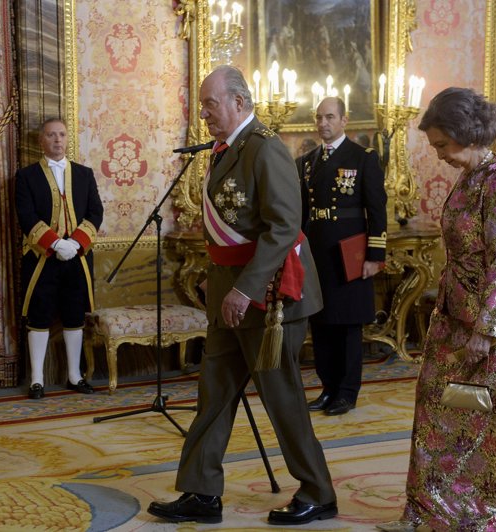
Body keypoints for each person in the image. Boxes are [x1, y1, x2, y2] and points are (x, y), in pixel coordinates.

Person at [147, 65, 337, 526]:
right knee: (213, 394)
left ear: (238, 101)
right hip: (229, 297)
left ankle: (318, 493)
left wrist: (244, 290)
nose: (204, 114)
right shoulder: (225, 149)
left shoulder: (265, 148)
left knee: (282, 399)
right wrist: (221, 286)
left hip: (269, 298)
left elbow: (283, 228)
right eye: (203, 105)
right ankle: (201, 492)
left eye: (210, 104)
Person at [379, 87, 496, 531]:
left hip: (493, 327)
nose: (439, 155)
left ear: (466, 133)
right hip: (453, 320)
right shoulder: (470, 177)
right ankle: (427, 509)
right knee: (437, 411)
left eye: (442, 144)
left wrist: (486, 330)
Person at [298, 96, 386, 416]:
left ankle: (347, 392)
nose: (323, 123)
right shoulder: (307, 161)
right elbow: (303, 213)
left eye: (330, 117)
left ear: (344, 120)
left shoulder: (362, 157)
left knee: (348, 326)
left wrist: (375, 255)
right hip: (317, 253)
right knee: (321, 323)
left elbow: (376, 209)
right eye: (319, 117)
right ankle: (328, 388)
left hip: (350, 253)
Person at [15, 118, 104, 399]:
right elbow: (26, 216)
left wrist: (75, 244)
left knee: (74, 315)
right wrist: (55, 244)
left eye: (62, 135)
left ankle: (75, 376)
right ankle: (37, 379)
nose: (57, 140)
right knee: (38, 316)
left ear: (67, 139)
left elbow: (96, 212)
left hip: (77, 258)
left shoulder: (85, 174)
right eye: (51, 135)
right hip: (41, 258)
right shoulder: (26, 176)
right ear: (41, 140)